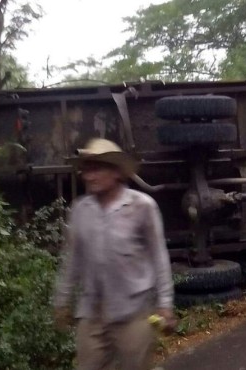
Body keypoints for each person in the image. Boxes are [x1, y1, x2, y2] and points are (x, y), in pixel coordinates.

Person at [53, 138, 175, 370]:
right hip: (92, 313)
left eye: (96, 169)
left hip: (133, 314)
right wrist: (62, 301)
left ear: (117, 172)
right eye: (86, 170)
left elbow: (159, 258)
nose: (89, 176)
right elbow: (72, 260)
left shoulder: (142, 207)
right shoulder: (81, 210)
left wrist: (165, 305)